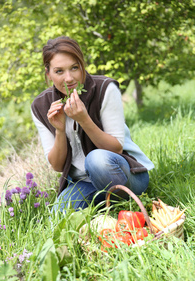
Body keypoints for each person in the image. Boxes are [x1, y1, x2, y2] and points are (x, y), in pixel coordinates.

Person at [31, 36, 154, 213]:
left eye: (74, 67)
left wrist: (84, 120)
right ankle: (102, 206)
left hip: (124, 175)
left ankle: (122, 206)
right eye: (59, 71)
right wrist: (59, 130)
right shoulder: (40, 106)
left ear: (82, 65)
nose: (69, 78)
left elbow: (116, 149)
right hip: (83, 183)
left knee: (96, 160)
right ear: (48, 73)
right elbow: (57, 166)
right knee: (57, 217)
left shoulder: (105, 88)